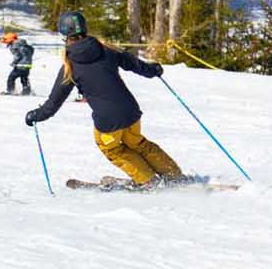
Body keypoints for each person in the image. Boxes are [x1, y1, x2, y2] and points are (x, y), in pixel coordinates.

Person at [25, 12, 184, 188]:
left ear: (63, 35)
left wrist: (36, 115)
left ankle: (147, 180)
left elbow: (53, 104)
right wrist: (153, 70)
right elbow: (133, 64)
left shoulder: (70, 67)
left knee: (112, 149)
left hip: (108, 121)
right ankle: (174, 175)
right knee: (138, 143)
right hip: (131, 111)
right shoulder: (106, 49)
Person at [2, 31, 35, 96]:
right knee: (24, 78)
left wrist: (14, 63)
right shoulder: (24, 44)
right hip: (28, 65)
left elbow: (18, 56)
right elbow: (31, 50)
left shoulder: (15, 45)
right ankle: (27, 91)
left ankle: (10, 91)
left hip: (20, 65)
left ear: (10, 39)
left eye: (6, 40)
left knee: (11, 78)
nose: (6, 43)